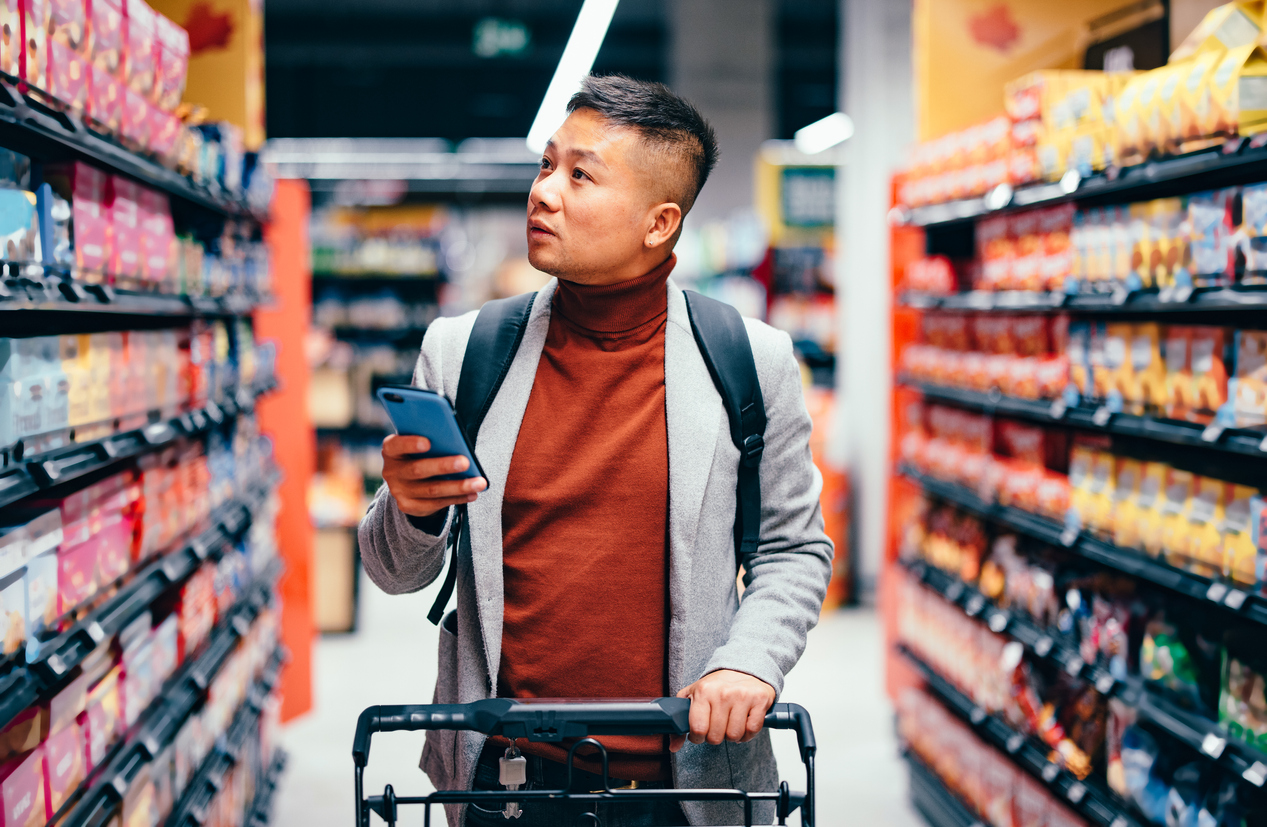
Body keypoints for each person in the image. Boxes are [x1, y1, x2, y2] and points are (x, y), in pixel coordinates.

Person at [358, 74, 833, 827]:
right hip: (501, 781)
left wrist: (751, 660)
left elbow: (793, 549)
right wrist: (411, 511)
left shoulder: (748, 361)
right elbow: (392, 572)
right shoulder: (463, 353)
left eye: (581, 174)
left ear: (658, 222)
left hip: (686, 783)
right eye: (547, 165)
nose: (544, 191)